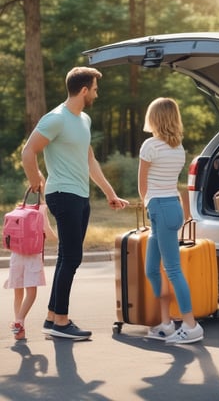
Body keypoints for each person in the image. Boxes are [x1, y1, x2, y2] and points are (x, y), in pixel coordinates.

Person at [21, 66, 129, 340]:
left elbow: (89, 160)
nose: (96, 92)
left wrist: (109, 192)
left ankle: (51, 317)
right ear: (83, 90)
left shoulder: (84, 120)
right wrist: (36, 181)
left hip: (80, 196)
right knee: (72, 257)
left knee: (67, 258)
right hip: (63, 195)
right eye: (94, 88)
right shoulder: (56, 118)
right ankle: (61, 322)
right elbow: (28, 152)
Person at [138, 97, 204, 344]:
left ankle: (191, 326)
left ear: (154, 118)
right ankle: (166, 324)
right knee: (151, 270)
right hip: (170, 208)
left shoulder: (150, 146)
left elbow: (142, 186)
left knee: (173, 270)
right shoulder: (178, 148)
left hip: (161, 209)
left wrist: (149, 204)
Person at [4, 175, 58, 340]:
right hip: (32, 257)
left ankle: (19, 329)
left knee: (18, 293)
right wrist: (57, 237)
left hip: (16, 256)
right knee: (31, 293)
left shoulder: (21, 207)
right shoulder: (41, 209)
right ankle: (19, 321)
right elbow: (49, 234)